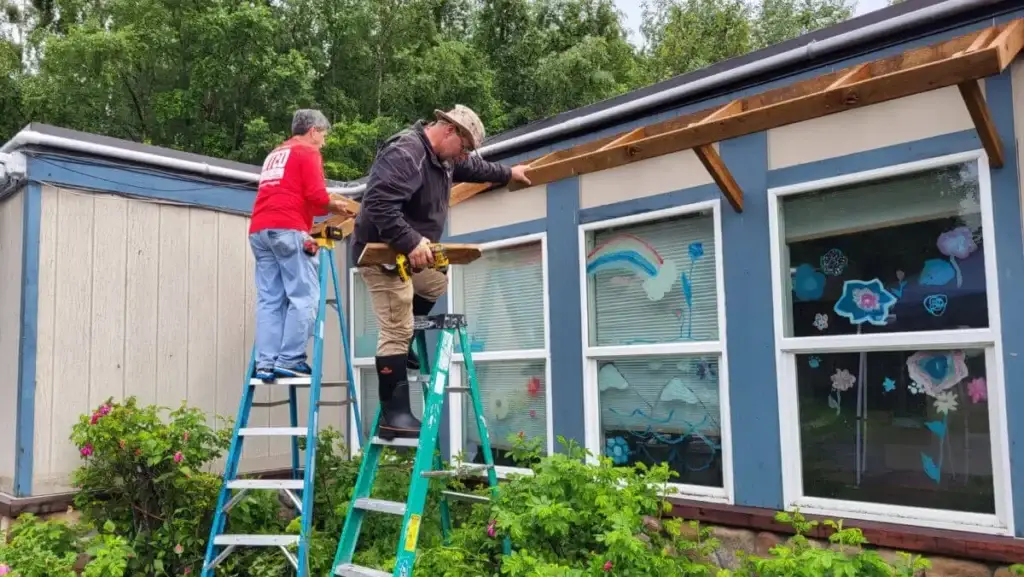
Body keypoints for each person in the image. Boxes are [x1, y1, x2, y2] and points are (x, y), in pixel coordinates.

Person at [352, 105, 532, 439]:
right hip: (381, 254)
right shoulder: (406, 154)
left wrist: (509, 174)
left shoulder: (445, 159)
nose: (464, 155)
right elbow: (377, 206)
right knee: (396, 323)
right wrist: (410, 241)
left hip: (410, 253)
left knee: (435, 279)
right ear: (449, 130)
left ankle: (404, 345)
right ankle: (395, 416)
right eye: (463, 147)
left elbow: (475, 167)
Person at [249, 109, 353, 381]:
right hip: (287, 229)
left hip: (260, 230)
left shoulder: (275, 154)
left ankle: (265, 363)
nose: (324, 142)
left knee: (270, 300)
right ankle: (290, 359)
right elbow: (317, 197)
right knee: (304, 295)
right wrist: (338, 204)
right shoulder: (308, 152)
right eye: (324, 135)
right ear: (313, 131)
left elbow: (293, 194)